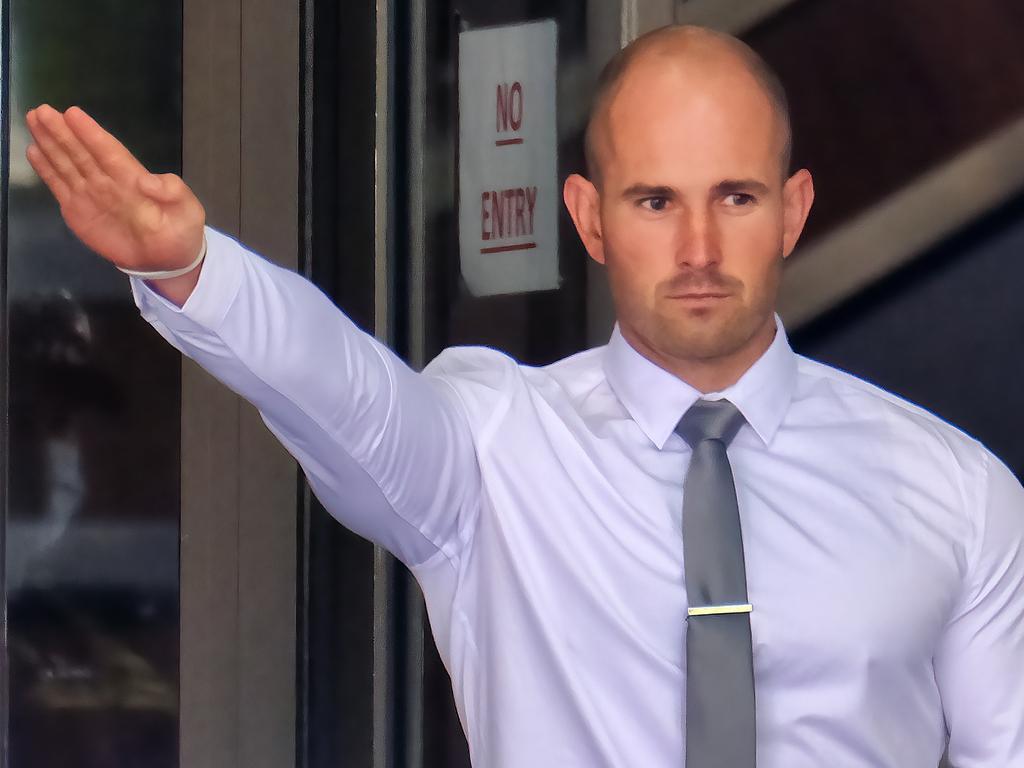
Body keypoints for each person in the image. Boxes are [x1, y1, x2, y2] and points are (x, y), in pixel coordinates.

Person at [23, 23, 1023, 768]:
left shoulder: (954, 491)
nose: (698, 250)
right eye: (654, 201)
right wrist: (198, 268)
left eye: (736, 197)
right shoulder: (494, 448)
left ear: (794, 210)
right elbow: (346, 393)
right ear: (588, 218)